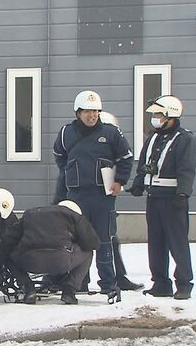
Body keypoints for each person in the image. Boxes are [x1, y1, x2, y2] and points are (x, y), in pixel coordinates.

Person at [51, 111, 144, 292]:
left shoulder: (111, 134)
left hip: (102, 196)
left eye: (95, 113)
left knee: (105, 241)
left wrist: (119, 181)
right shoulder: (68, 134)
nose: (92, 116)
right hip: (76, 196)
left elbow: (125, 158)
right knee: (81, 241)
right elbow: (60, 160)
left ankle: (110, 281)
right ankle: (81, 282)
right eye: (88, 112)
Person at [129, 95, 196, 300]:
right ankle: (161, 283)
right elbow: (144, 162)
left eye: (159, 114)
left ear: (171, 115)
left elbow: (187, 170)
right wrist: (138, 184)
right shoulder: (153, 137)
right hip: (154, 198)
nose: (155, 118)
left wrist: (183, 194)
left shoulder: (185, 139)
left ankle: (184, 284)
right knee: (156, 242)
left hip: (173, 199)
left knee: (178, 243)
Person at [0, 200, 100, 305]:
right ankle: (69, 289)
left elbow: (8, 239)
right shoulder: (73, 216)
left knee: (9, 256)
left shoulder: (30, 214)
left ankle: (27, 287)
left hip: (29, 261)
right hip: (61, 261)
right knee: (88, 253)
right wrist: (74, 241)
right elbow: (93, 244)